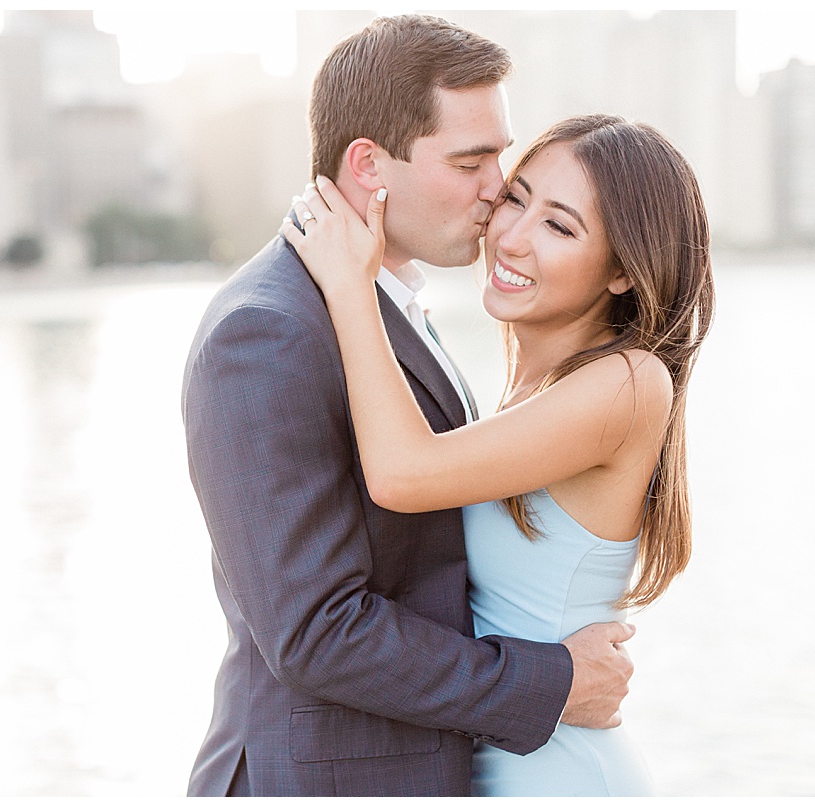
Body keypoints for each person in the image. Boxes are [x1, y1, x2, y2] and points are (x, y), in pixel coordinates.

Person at [182, 15, 636, 798]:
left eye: (500, 153)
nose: (499, 186)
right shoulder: (268, 331)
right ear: (369, 166)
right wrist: (549, 681)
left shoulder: (385, 303)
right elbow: (317, 633)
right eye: (470, 161)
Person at [280, 113, 715, 795]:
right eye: (517, 198)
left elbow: (401, 472)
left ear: (624, 274)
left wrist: (350, 284)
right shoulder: (529, 388)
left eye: (560, 226)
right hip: (499, 761)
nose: (510, 237)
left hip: (561, 777)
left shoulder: (628, 383)